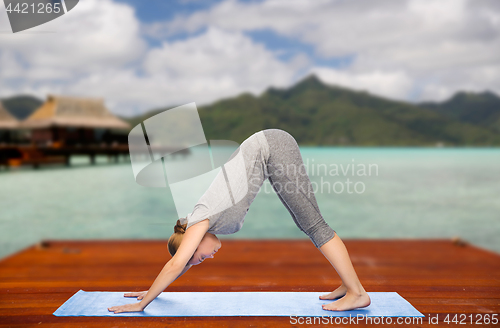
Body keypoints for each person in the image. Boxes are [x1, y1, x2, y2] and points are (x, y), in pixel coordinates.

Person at [108, 129, 370, 314]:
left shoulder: (201, 217)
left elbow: (177, 264)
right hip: (268, 153)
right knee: (308, 225)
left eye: (200, 257)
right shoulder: (203, 226)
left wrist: (142, 305)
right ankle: (349, 285)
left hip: (271, 146)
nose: (207, 258)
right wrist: (154, 291)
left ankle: (358, 294)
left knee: (314, 225)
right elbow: (183, 263)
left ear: (192, 240)